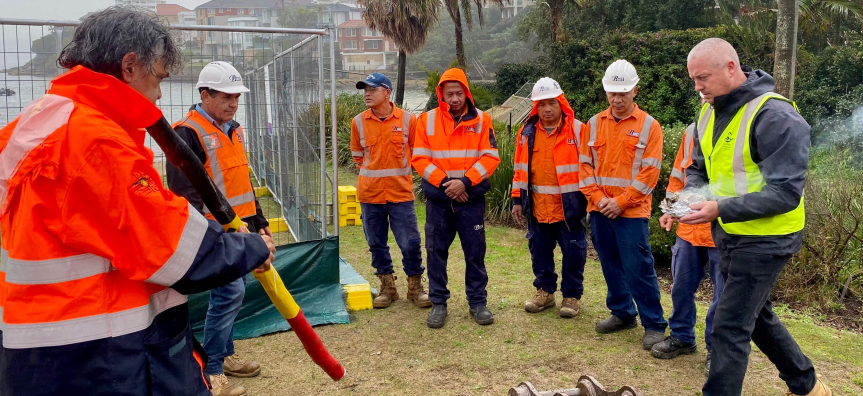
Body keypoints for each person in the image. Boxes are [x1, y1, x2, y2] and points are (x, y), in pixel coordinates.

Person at [0, 8, 274, 396]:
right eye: (159, 77)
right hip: (99, 347)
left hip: (35, 339)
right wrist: (248, 248)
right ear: (130, 66)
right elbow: (167, 243)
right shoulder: (93, 139)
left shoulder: (35, 121)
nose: (160, 93)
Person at [682, 38, 831, 396]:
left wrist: (720, 208)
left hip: (768, 240)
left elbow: (785, 192)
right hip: (731, 233)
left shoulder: (776, 116)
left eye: (703, 78)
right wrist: (688, 198)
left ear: (731, 68)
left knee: (728, 325)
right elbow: (699, 168)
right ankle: (806, 384)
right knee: (756, 316)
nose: (698, 87)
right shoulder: (709, 110)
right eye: (694, 80)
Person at [166, 61, 268, 396]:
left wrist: (260, 225)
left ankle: (224, 356)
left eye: (237, 96)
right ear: (205, 94)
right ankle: (213, 372)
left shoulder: (234, 128)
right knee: (230, 292)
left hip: (240, 231)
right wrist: (216, 235)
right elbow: (186, 196)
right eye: (226, 96)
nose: (234, 103)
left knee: (231, 294)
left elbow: (244, 183)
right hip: (215, 233)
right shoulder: (187, 133)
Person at [578, 59, 668, 350]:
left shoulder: (649, 127)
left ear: (635, 92)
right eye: (612, 93)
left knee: (638, 268)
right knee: (610, 265)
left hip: (632, 213)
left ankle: (653, 324)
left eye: (623, 94)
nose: (617, 99)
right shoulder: (592, 125)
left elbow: (650, 174)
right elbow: (584, 169)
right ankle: (622, 313)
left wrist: (621, 202)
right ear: (606, 92)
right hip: (600, 210)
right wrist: (601, 200)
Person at [412, 67, 500, 329]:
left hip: (470, 200)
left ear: (466, 93)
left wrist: (464, 182)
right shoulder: (426, 121)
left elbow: (490, 157)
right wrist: (445, 183)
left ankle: (478, 302)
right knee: (435, 252)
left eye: (458, 93)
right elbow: (419, 158)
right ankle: (438, 302)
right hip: (439, 200)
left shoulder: (483, 120)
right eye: (449, 93)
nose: (454, 98)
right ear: (441, 94)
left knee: (475, 252)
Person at [652, 96, 725, 375]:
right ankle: (682, 337)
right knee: (681, 288)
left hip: (722, 231)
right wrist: (670, 210)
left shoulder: (740, 134)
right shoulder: (693, 130)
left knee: (722, 297)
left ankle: (716, 350)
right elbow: (678, 177)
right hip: (688, 229)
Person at [349, 73, 431, 309]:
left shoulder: (408, 120)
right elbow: (358, 157)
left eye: (372, 89)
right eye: (364, 89)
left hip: (400, 195)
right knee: (376, 244)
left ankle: (415, 287)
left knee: (411, 243)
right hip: (370, 195)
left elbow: (419, 154)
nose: (367, 93)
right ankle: (387, 288)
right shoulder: (358, 122)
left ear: (387, 92)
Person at [511, 77, 589, 318]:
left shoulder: (578, 130)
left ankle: (571, 296)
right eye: (542, 104)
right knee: (540, 252)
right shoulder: (526, 133)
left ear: (561, 103)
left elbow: (590, 168)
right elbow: (519, 168)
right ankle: (545, 292)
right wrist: (516, 199)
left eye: (552, 103)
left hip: (569, 209)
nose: (547, 109)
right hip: (537, 208)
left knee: (574, 253)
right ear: (536, 106)